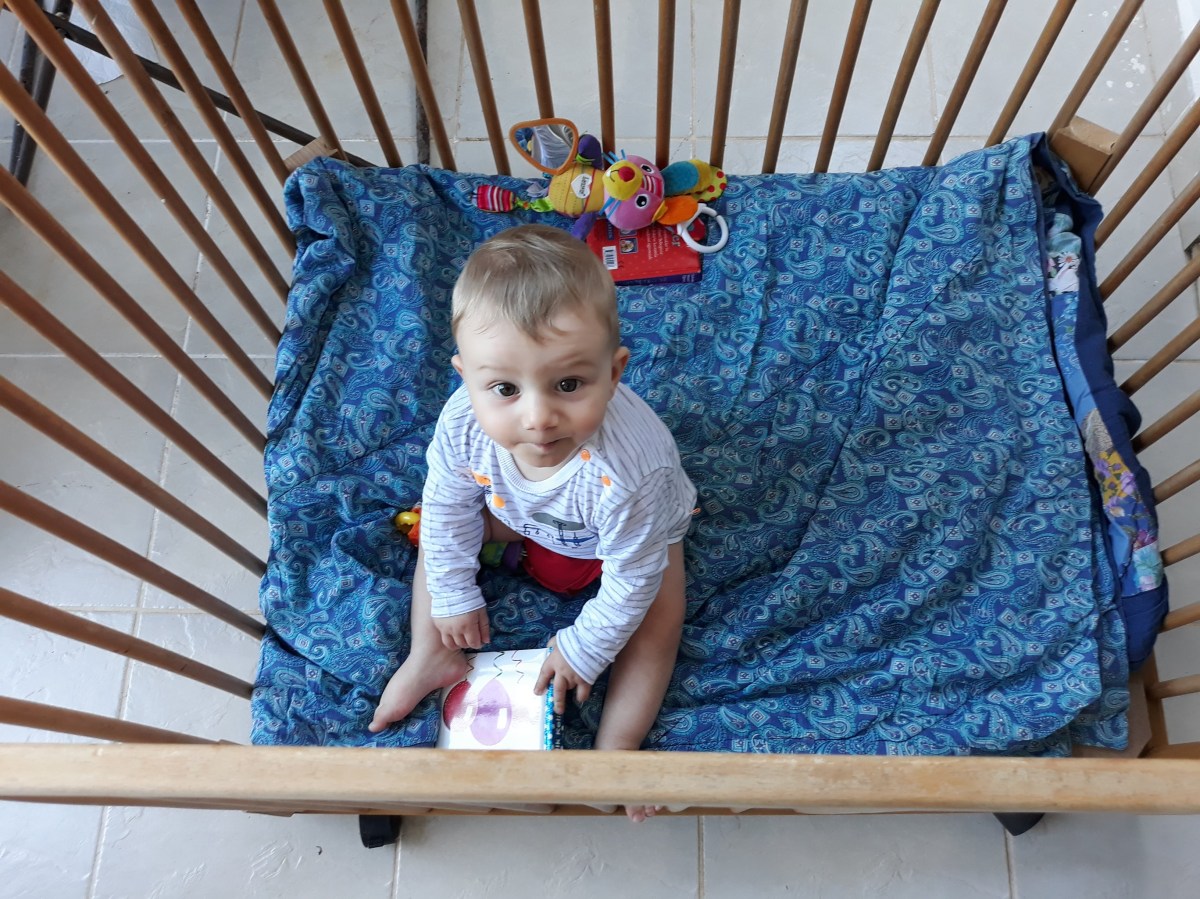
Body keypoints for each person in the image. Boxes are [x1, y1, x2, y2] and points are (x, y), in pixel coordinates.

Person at [369, 223, 696, 823]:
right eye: (504, 388)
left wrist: (583, 648)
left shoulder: (633, 472)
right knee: (440, 536)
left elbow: (631, 579)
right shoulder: (463, 423)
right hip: (518, 513)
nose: (539, 417)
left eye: (569, 384)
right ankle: (429, 654)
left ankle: (617, 749)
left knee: (659, 613)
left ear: (615, 371)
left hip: (627, 536)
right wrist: (454, 595)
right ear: (466, 377)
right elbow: (448, 507)